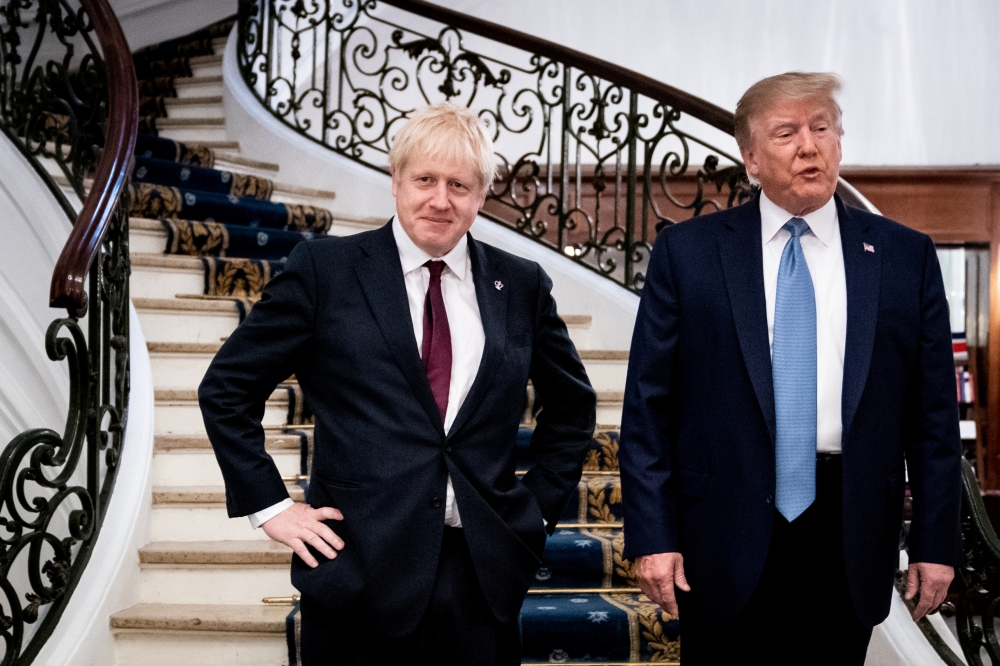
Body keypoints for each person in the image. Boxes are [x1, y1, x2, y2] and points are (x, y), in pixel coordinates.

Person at [198, 102, 597, 665]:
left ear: (482, 195)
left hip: (482, 577)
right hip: (358, 570)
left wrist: (533, 511)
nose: (440, 200)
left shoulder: (522, 284)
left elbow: (573, 408)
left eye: (459, 185)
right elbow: (226, 389)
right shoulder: (325, 270)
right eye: (425, 180)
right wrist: (271, 506)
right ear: (396, 181)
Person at [618, 72, 960, 664]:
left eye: (821, 128)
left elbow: (933, 416)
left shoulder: (905, 256)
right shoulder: (689, 253)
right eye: (786, 133)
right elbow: (648, 408)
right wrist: (653, 536)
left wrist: (937, 541)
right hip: (720, 527)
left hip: (849, 530)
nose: (809, 145)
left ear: (839, 142)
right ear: (750, 158)